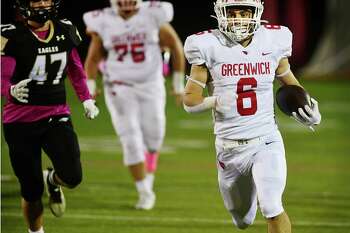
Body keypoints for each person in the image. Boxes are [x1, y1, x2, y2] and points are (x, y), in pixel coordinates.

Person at [183, 0, 321, 232]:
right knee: (243, 220)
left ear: (256, 13)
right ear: (220, 13)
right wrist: (214, 101)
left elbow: (291, 83)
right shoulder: (207, 44)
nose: (238, 18)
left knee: (272, 206)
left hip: (266, 140)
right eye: (232, 12)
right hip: (229, 149)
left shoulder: (273, 41)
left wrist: (308, 108)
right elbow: (189, 101)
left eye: (244, 12)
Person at [1, 0, 99, 232]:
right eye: (37, 0)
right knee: (31, 189)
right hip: (20, 121)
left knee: (73, 176)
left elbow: (75, 68)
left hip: (56, 114)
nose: (43, 4)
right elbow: (2, 78)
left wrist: (86, 98)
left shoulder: (64, 29)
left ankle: (52, 180)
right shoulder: (11, 35)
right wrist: (10, 90)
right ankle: (36, 231)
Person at [83, 0, 185, 210]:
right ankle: (144, 191)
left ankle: (147, 179)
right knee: (130, 138)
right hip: (119, 86)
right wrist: (90, 87)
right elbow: (93, 58)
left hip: (151, 84)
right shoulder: (104, 20)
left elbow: (175, 45)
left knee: (154, 137)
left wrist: (177, 84)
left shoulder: (152, 15)